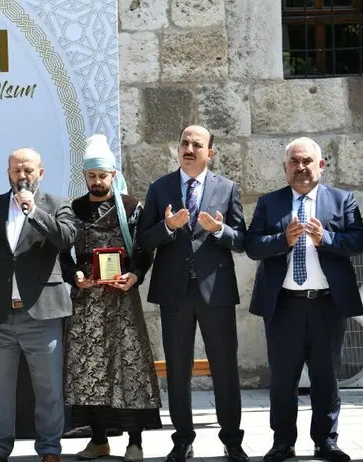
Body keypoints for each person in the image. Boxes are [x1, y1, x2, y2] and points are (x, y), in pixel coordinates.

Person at [245, 137, 363, 462]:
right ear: (285, 169)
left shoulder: (342, 201)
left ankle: (326, 441)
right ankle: (283, 442)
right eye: (294, 162)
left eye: (307, 161)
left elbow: (357, 241)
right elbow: (253, 245)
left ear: (320, 165)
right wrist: (282, 239)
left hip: (327, 305)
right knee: (283, 380)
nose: (301, 168)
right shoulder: (270, 204)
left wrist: (325, 237)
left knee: (326, 378)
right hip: (284, 306)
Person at [136, 125, 248, 462]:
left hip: (216, 292)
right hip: (175, 293)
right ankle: (182, 439)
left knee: (225, 368)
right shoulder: (161, 187)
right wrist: (168, 228)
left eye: (196, 144)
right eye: (184, 142)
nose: (188, 148)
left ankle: (232, 440)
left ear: (210, 152)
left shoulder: (227, 189)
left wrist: (220, 231)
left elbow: (242, 240)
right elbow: (142, 240)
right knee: (177, 368)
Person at [0, 147, 77, 462]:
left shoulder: (57, 204)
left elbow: (66, 239)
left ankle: (50, 449)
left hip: (42, 314)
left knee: (49, 389)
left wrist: (34, 211)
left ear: (41, 172)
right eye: (15, 171)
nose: (21, 176)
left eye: (28, 170)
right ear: (8, 173)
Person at [60, 135, 161, 462]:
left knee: (128, 369)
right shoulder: (73, 208)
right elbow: (65, 253)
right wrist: (75, 275)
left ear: (113, 175)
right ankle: (99, 440)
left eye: (103, 175)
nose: (98, 181)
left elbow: (145, 250)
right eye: (92, 176)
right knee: (89, 373)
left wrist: (134, 275)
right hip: (86, 304)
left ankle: (135, 442)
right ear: (85, 176)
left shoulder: (133, 207)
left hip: (122, 302)